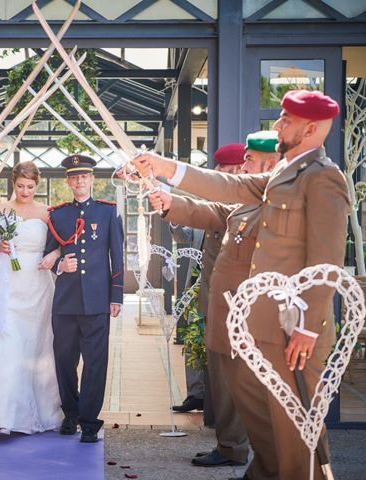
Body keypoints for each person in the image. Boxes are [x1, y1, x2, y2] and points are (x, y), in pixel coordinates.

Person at [135, 90, 349, 480]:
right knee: (264, 431)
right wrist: (167, 168)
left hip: (289, 333)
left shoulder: (323, 179)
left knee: (294, 434)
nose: (279, 125)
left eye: (286, 120)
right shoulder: (280, 176)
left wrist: (306, 328)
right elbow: (226, 189)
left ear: (311, 128)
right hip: (254, 328)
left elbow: (326, 264)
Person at [150, 131, 280, 473]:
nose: (241, 169)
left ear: (270, 164)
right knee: (224, 385)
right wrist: (168, 202)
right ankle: (233, 447)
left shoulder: (277, 200)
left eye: (248, 161)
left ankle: (254, 452)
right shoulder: (246, 201)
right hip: (222, 310)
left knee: (246, 389)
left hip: (248, 315)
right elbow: (211, 210)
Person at [0, 161, 63, 435]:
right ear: (13, 183)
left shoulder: (47, 213)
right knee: (4, 347)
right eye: (20, 186)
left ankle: (38, 413)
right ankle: (0, 417)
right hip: (6, 285)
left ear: (37, 185)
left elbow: (60, 245)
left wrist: (53, 255)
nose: (25, 191)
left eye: (30, 187)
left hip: (37, 287)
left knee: (36, 349)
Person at [44, 154, 124, 443]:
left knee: (95, 362)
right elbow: (48, 255)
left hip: (97, 300)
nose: (79, 181)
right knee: (64, 361)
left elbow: (117, 256)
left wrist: (117, 296)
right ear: (68, 181)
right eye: (74, 177)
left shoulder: (108, 212)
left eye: (84, 176)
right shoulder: (57, 215)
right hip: (65, 301)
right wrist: (58, 265)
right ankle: (71, 414)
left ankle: (89, 422)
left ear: (92, 179)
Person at [170, 143, 246, 421]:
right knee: (193, 335)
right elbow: (185, 238)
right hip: (196, 278)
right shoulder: (206, 199)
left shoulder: (244, 203)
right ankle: (196, 393)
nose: (222, 174)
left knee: (217, 341)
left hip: (226, 287)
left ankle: (215, 402)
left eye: (228, 170)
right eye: (221, 170)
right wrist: (176, 221)